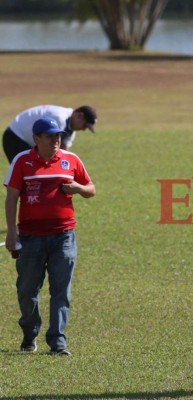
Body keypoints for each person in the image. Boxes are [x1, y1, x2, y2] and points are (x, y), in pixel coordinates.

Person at [4, 117, 96, 356]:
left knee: (61, 291)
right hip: (30, 237)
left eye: (58, 136)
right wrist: (12, 232)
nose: (56, 140)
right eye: (49, 136)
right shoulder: (22, 161)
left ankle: (58, 342)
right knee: (26, 291)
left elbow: (91, 189)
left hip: (64, 236)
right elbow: (12, 197)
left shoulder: (71, 160)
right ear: (36, 139)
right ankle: (29, 331)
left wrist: (78, 188)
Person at [3, 105, 97, 163]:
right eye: (85, 126)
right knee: (25, 175)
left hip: (28, 141)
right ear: (79, 116)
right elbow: (47, 147)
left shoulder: (70, 127)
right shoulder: (60, 118)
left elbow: (64, 151)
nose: (84, 129)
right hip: (15, 136)